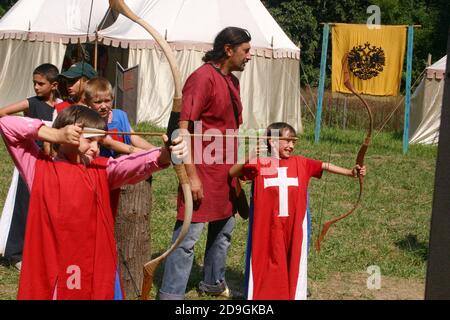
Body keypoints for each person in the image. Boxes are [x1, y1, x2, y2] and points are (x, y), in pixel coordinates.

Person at [0, 105, 187, 300]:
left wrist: (163, 155)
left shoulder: (102, 171)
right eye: (90, 140)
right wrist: (54, 134)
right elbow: (6, 124)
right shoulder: (37, 166)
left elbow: (130, 165)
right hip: (50, 270)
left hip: (88, 267)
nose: (96, 149)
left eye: (99, 143)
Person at [159, 27, 252, 300]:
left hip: (225, 171)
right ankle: (171, 295)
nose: (249, 56)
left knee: (223, 231)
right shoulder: (201, 79)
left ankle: (213, 282)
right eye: (245, 51)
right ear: (228, 50)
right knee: (187, 237)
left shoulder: (231, 81)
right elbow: (181, 129)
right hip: (201, 168)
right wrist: (192, 176)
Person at [229, 122, 367, 300]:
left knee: (292, 262)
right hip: (269, 228)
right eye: (287, 140)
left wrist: (350, 172)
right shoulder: (262, 164)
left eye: (294, 141)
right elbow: (233, 173)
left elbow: (324, 165)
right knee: (266, 263)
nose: (291, 146)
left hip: (293, 227)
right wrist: (249, 155)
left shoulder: (300, 163)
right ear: (272, 141)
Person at [0, 63, 61, 271]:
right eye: (34, 83)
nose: (36, 87)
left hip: (50, 162)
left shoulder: (60, 107)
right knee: (22, 206)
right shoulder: (31, 103)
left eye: (40, 83)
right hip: (29, 159)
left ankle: (38, 250)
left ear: (53, 85)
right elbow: (3, 114)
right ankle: (15, 253)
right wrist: (27, 130)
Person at [83, 77, 155, 157]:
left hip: (125, 161)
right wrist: (138, 151)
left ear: (112, 98)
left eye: (107, 101)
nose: (103, 106)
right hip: (104, 164)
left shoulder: (120, 115)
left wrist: (155, 150)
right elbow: (109, 144)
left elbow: (134, 137)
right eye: (98, 102)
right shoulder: (88, 122)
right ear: (87, 102)